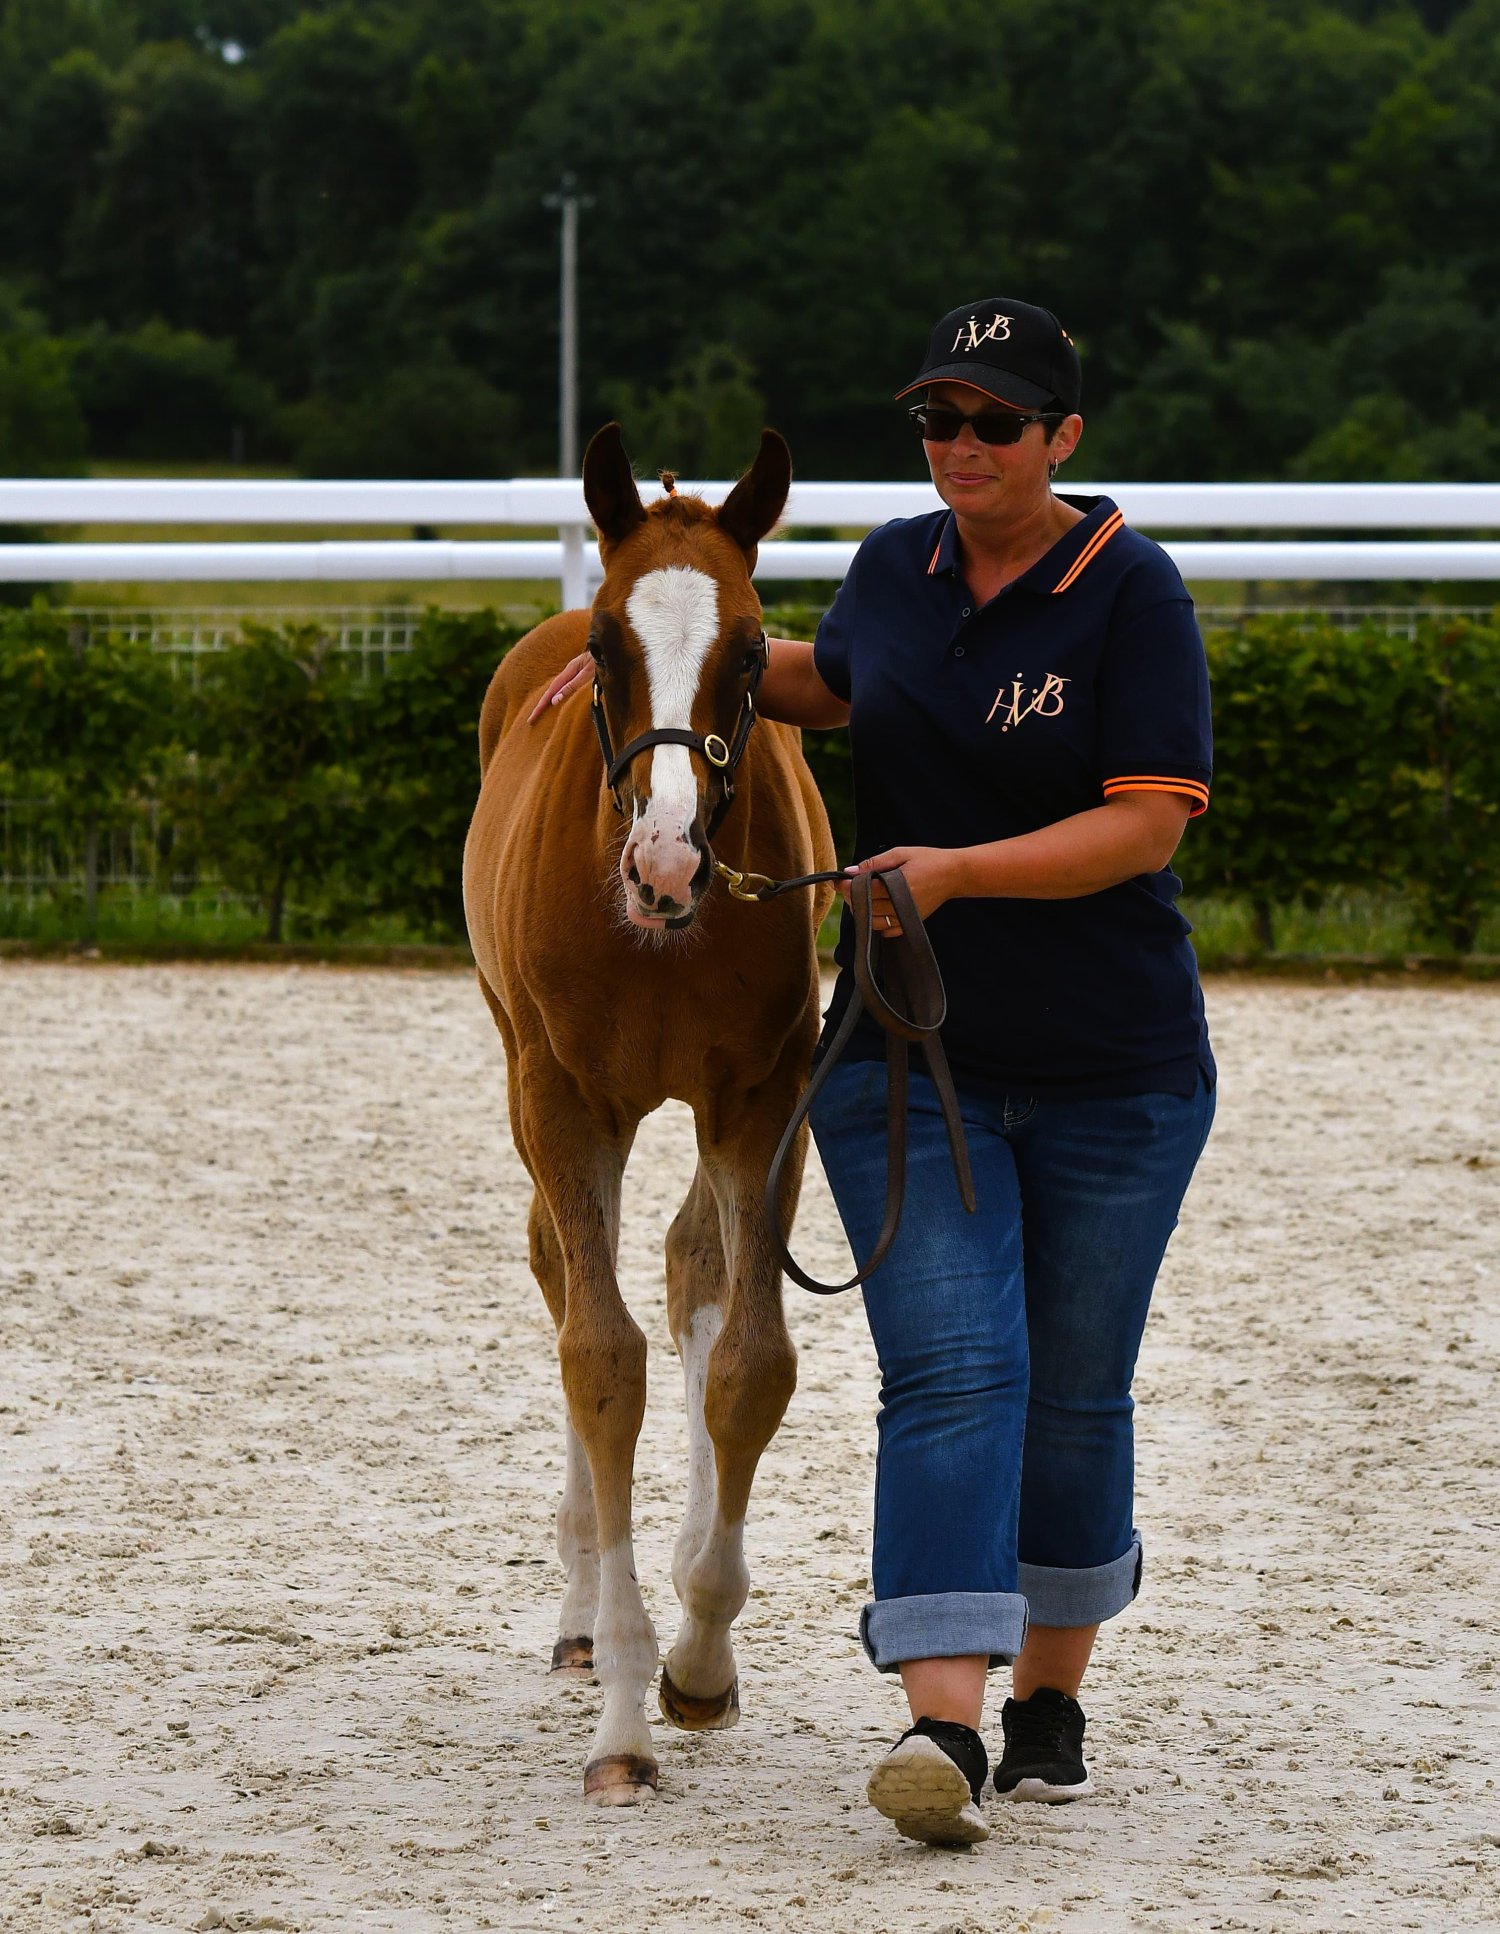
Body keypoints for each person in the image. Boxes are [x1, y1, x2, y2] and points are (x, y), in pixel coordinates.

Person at [531, 296, 1216, 1849]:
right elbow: (818, 680)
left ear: (1062, 438)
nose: (961, 445)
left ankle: (1049, 1698)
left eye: (995, 422)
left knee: (1074, 1392)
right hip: (915, 1058)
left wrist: (956, 870)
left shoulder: (1131, 594)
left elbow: (1150, 821)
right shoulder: (895, 570)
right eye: (938, 420)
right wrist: (641, 654)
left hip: (1116, 1070)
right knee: (953, 1373)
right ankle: (942, 1726)